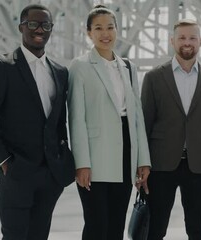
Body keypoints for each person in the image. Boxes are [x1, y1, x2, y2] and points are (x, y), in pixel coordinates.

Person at [0, 4, 75, 240]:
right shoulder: (2, 66)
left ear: (51, 29)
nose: (40, 29)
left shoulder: (60, 72)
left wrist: (63, 158)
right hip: (17, 173)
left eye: (46, 24)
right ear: (21, 27)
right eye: (33, 23)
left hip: (50, 176)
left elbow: (59, 122)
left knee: (40, 235)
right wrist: (4, 162)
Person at [67, 6, 151, 240]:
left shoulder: (128, 67)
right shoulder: (80, 66)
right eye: (98, 28)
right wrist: (81, 163)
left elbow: (137, 117)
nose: (106, 33)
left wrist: (143, 159)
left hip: (125, 154)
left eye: (110, 27)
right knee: (96, 225)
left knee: (116, 226)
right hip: (95, 157)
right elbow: (76, 118)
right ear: (88, 33)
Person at [141, 19, 201, 240]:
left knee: (198, 229)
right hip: (160, 166)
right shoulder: (153, 77)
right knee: (155, 229)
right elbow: (144, 125)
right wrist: (141, 164)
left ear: (200, 42)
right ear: (172, 41)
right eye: (182, 38)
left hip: (198, 166)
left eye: (192, 38)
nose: (187, 43)